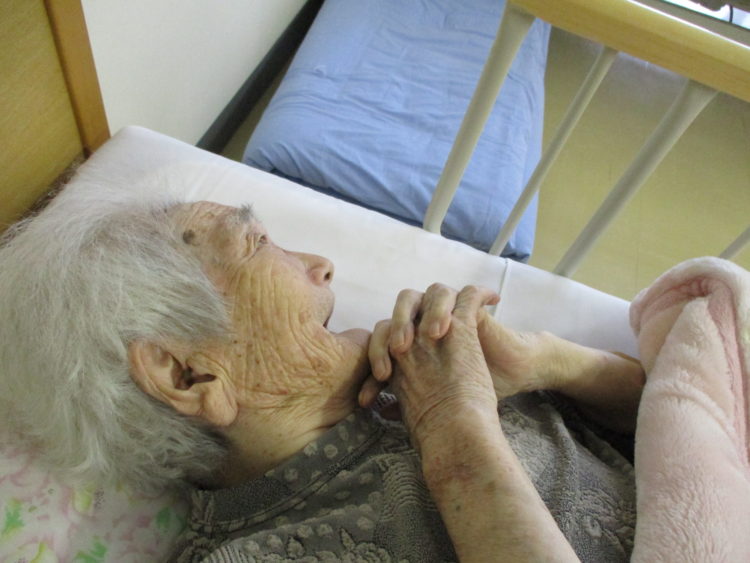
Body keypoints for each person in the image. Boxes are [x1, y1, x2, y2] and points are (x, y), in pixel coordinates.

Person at [0, 198, 644, 562]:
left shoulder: (431, 373)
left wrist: (552, 363)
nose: (321, 264)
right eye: (256, 245)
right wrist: (454, 430)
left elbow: (662, 420)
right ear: (189, 374)